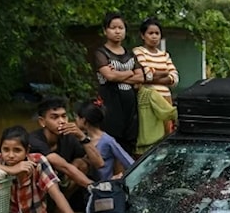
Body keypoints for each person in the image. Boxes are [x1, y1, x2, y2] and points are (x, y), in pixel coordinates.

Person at [29, 96, 103, 210]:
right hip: (38, 189)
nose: (62, 121)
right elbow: (64, 166)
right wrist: (94, 186)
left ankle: (59, 210)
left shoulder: (69, 136)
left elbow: (99, 163)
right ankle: (53, 211)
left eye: (64, 116)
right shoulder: (34, 140)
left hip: (61, 185)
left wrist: (82, 137)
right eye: (55, 117)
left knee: (81, 163)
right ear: (42, 121)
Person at [95, 12, 144, 154]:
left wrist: (118, 74)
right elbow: (109, 76)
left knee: (130, 143)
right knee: (113, 142)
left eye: (121, 28)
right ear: (105, 30)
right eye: (113, 27)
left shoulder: (130, 54)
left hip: (130, 108)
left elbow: (141, 78)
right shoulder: (101, 53)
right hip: (111, 106)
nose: (117, 31)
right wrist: (129, 73)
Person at [132, 16, 180, 135]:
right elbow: (144, 75)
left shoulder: (165, 55)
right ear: (143, 36)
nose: (154, 36)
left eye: (157, 33)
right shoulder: (139, 52)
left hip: (166, 100)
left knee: (166, 132)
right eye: (150, 33)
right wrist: (164, 73)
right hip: (149, 100)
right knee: (151, 134)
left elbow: (175, 79)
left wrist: (152, 76)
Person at [75, 99, 134, 181]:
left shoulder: (107, 141)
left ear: (84, 120)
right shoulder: (80, 138)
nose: (76, 119)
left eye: (78, 117)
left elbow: (127, 161)